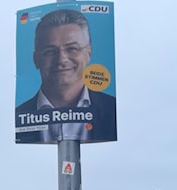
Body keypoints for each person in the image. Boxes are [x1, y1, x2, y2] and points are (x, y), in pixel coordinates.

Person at [15, 9, 116, 144]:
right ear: (36, 59)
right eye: (49, 51)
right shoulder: (19, 116)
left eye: (72, 48)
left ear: (89, 53)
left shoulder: (112, 111)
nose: (61, 59)